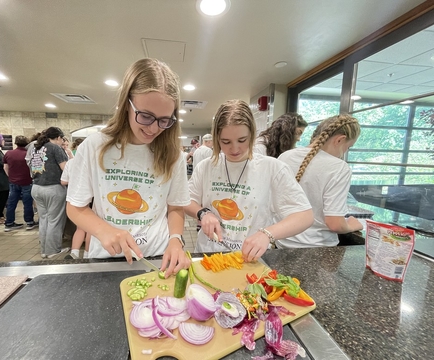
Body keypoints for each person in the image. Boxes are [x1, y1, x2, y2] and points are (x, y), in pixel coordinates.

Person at [66, 58, 190, 278]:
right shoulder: (95, 146)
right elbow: (75, 207)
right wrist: (104, 230)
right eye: (145, 116)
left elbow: (175, 208)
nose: (153, 128)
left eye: (164, 120)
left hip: (157, 258)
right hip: (106, 257)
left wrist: (176, 240)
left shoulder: (173, 154)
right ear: (126, 104)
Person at [184, 100, 314, 262]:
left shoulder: (273, 168)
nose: (234, 149)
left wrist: (268, 234)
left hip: (250, 259)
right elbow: (187, 200)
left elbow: (304, 215)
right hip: (209, 255)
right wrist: (203, 213)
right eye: (226, 142)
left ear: (252, 134)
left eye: (242, 140)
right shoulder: (207, 167)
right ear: (217, 138)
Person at [277, 114, 363, 248]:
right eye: (349, 147)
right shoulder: (339, 168)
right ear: (340, 140)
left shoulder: (285, 156)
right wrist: (351, 226)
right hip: (318, 249)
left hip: (281, 244)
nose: (346, 152)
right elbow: (334, 223)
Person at [30, 126, 70, 259]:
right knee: (55, 220)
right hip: (53, 188)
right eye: (61, 139)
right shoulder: (55, 148)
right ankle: (53, 250)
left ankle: (44, 250)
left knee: (44, 219)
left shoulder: (36, 148)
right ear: (58, 137)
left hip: (36, 188)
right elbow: (65, 169)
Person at [2, 135, 37, 231]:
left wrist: (11, 177)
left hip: (13, 182)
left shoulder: (9, 153)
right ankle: (29, 222)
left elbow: (5, 168)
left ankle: (9, 223)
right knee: (27, 203)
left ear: (15, 143)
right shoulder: (29, 154)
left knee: (11, 204)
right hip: (27, 181)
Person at [61, 159, 91, 259]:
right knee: (91, 228)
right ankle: (87, 254)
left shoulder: (70, 162)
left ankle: (74, 253)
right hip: (90, 196)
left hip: (74, 197)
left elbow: (63, 181)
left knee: (80, 227)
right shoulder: (93, 160)